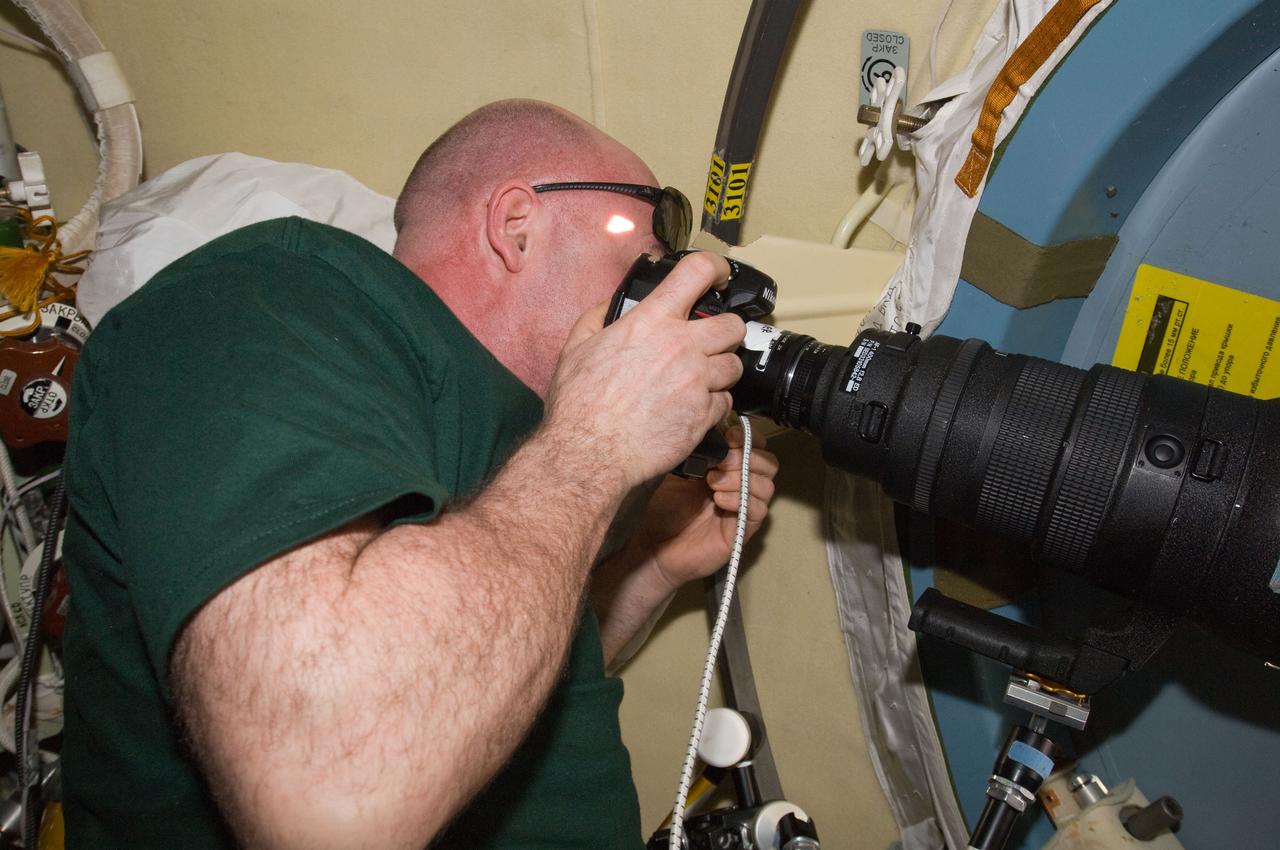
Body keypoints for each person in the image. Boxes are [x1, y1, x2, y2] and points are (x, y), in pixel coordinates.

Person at [61, 99, 779, 849]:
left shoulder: (525, 435)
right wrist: (595, 446)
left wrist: (651, 562)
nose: (666, 271)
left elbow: (471, 676)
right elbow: (337, 791)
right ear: (516, 224)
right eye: (652, 229)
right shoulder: (265, 303)